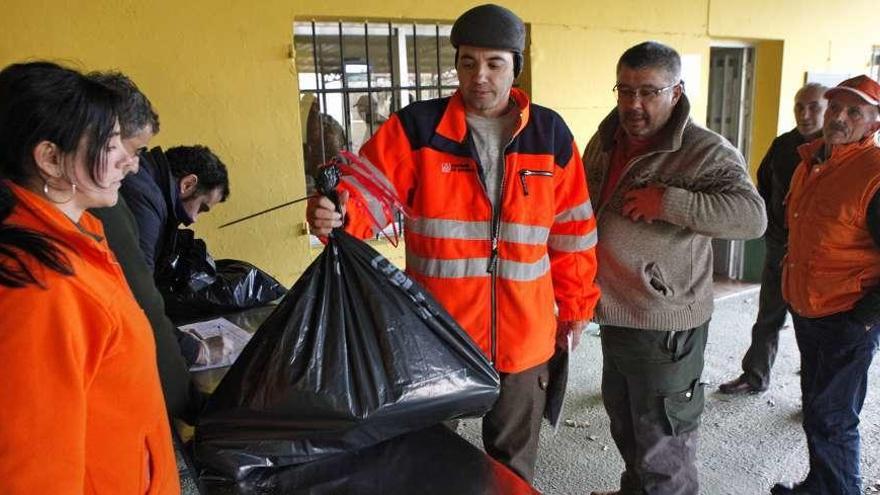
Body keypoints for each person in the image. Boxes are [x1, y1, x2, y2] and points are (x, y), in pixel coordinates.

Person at [307, 3, 600, 482]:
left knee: (512, 469)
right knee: (427, 461)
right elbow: (365, 197)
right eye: (467, 62)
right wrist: (334, 213)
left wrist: (575, 306)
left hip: (523, 339)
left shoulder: (551, 135)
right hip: (436, 335)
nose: (479, 76)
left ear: (515, 67)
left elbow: (574, 233)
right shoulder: (417, 129)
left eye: (493, 63)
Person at [582, 41, 766, 495]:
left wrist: (669, 202)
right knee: (626, 423)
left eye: (648, 91)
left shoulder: (704, 151)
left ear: (676, 92)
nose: (633, 104)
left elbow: (751, 217)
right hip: (613, 310)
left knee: (664, 442)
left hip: (663, 321)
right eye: (624, 91)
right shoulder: (606, 140)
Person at [0, 61, 179, 493]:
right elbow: (36, 476)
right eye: (110, 143)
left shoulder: (79, 238)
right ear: (50, 159)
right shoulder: (41, 289)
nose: (129, 163)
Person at [772, 75, 880, 495]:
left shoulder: (873, 174)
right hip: (807, 307)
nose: (839, 117)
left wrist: (865, 319)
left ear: (873, 124)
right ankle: (820, 483)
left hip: (846, 315)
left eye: (854, 112)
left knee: (833, 417)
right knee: (816, 408)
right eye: (835, 107)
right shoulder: (813, 160)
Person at [89, 71, 206, 423]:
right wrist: (187, 402)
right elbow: (141, 300)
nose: (133, 165)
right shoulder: (121, 201)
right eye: (122, 147)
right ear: (50, 157)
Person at [719, 83, 828, 395]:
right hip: (779, 247)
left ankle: (817, 392)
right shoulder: (783, 146)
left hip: (817, 258)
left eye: (813, 107)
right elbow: (764, 186)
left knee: (812, 327)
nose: (805, 114)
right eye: (799, 107)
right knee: (768, 315)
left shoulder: (836, 152)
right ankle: (755, 375)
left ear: (827, 110)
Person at [121, 143, 230, 273]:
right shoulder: (145, 198)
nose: (194, 219)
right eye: (201, 207)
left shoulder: (146, 178)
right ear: (187, 184)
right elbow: (137, 280)